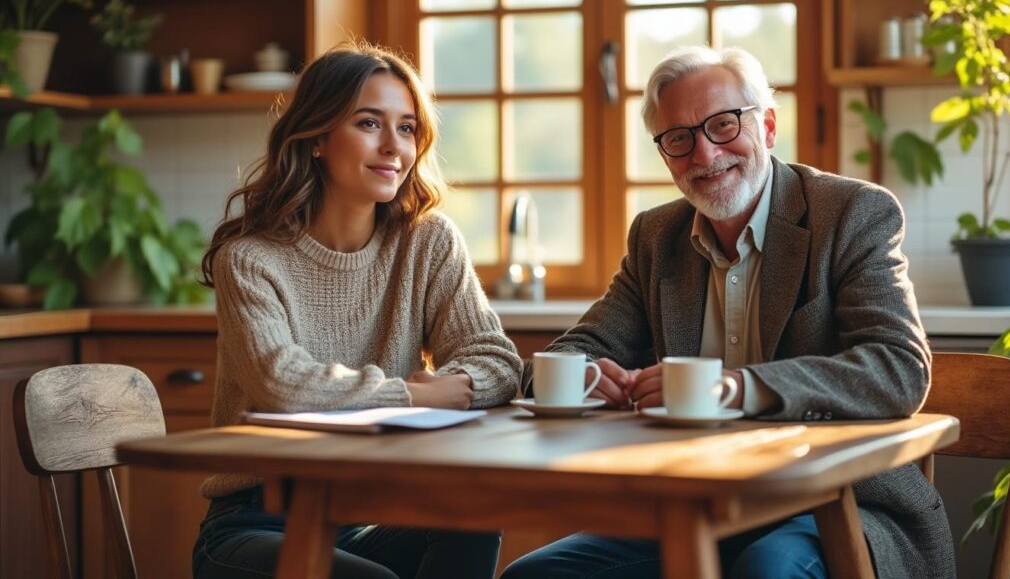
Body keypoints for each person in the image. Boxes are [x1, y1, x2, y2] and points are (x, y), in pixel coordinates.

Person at [501, 45, 954, 579]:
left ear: (768, 126)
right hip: (700, 505)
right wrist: (583, 376)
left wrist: (736, 388)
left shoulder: (852, 213)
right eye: (679, 138)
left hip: (842, 505)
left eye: (723, 124)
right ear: (665, 155)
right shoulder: (656, 236)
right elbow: (573, 351)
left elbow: (899, 369)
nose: (705, 154)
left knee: (768, 569)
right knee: (536, 575)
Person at [192, 41, 523, 579]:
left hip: (373, 511)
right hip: (258, 521)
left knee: (472, 513)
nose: (394, 146)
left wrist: (459, 382)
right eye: (369, 123)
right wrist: (413, 396)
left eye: (407, 128)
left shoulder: (427, 241)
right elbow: (283, 386)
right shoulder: (250, 259)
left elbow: (498, 360)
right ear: (317, 138)